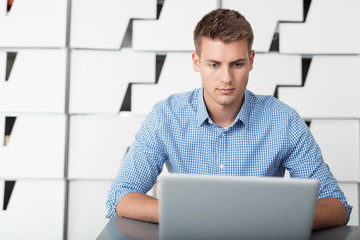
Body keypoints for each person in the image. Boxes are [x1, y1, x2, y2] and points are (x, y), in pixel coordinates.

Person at [106, 9, 351, 230]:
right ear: (196, 62)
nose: (226, 78)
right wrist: (188, 215)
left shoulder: (283, 120)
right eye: (214, 64)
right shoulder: (165, 117)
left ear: (251, 61)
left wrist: (266, 219)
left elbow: (336, 206)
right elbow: (121, 195)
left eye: (237, 64)